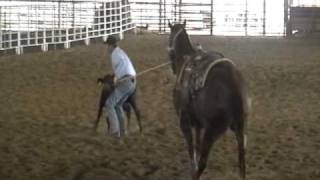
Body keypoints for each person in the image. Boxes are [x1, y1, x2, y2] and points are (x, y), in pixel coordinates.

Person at [104, 35, 136, 138]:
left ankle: (115, 131)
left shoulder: (114, 55)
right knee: (117, 105)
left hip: (126, 81)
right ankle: (122, 132)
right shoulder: (121, 52)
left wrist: (114, 82)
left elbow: (119, 72)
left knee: (109, 103)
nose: (107, 48)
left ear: (111, 46)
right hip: (132, 82)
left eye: (107, 46)